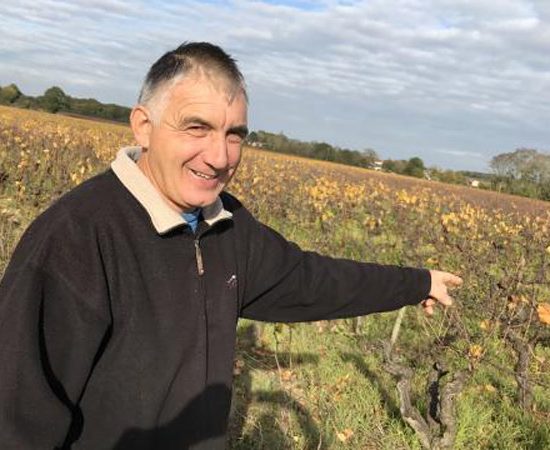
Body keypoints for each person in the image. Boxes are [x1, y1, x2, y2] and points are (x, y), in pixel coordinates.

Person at [0, 42, 462, 450]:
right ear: (143, 126)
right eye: (196, 128)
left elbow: (312, 280)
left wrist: (414, 282)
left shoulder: (225, 225)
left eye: (234, 134)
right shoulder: (75, 238)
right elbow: (17, 415)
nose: (219, 157)